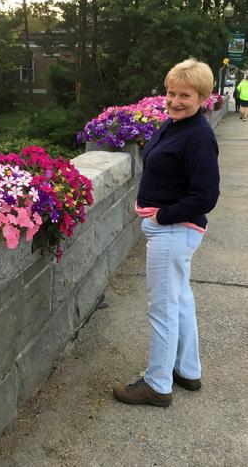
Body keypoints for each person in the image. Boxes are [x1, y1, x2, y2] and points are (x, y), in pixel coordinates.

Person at [113, 58, 220, 407]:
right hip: (172, 231)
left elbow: (206, 197)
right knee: (180, 300)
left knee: (162, 308)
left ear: (202, 97)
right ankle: (187, 370)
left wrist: (162, 217)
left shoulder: (198, 137)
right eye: (171, 92)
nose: (174, 100)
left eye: (185, 95)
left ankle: (157, 384)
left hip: (173, 230)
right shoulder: (176, 125)